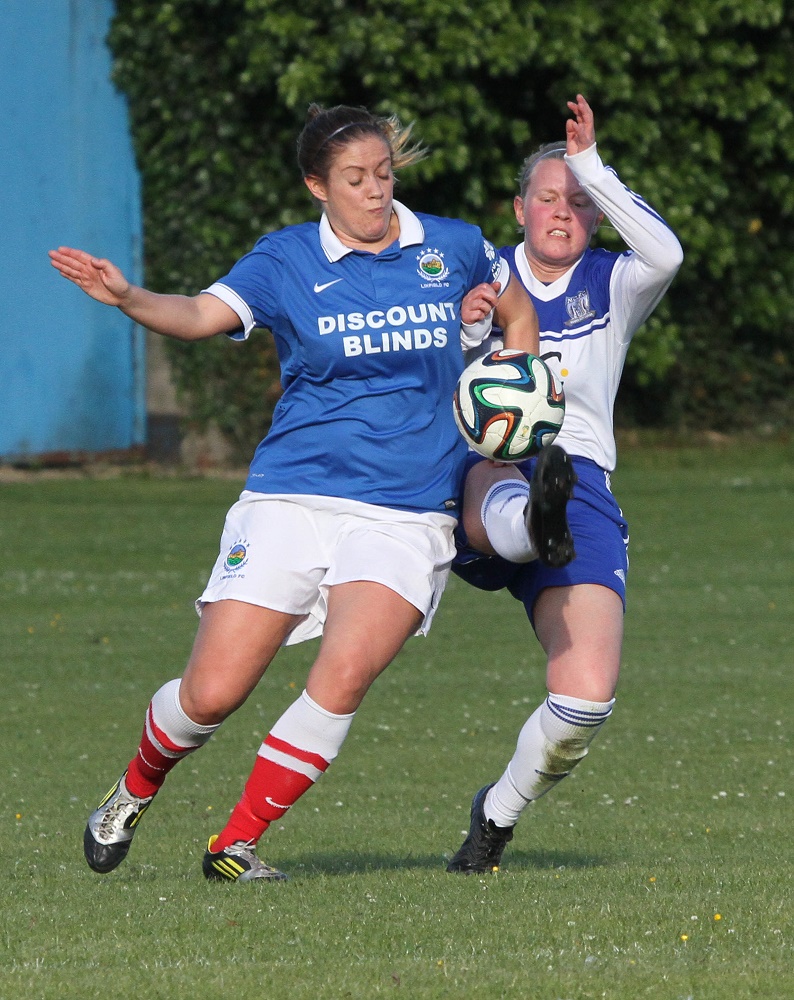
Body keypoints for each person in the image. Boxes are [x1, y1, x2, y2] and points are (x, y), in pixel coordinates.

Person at [49, 103, 540, 883]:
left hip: (408, 508)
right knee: (211, 695)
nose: (376, 191)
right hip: (291, 496)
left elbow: (516, 307)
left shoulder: (449, 245)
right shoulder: (283, 262)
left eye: (383, 174)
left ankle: (234, 845)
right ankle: (133, 789)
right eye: (355, 179)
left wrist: (520, 391)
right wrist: (131, 297)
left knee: (342, 675)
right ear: (317, 184)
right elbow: (204, 314)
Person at [446, 94, 684, 873]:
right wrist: (473, 328)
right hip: (480, 472)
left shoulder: (613, 284)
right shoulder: (480, 274)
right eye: (547, 195)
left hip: (576, 481)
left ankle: (495, 817)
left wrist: (591, 165)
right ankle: (525, 525)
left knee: (584, 699)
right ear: (518, 209)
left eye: (578, 201)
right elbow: (438, 382)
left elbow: (669, 254)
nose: (563, 209)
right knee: (499, 473)